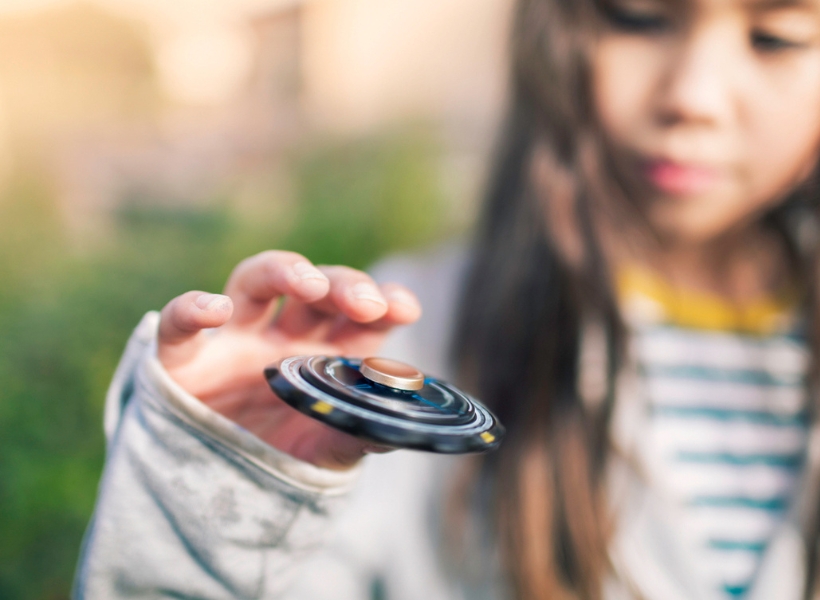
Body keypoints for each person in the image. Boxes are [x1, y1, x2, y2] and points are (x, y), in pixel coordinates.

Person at [73, 0, 820, 598]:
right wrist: (223, 480)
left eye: (778, 36)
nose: (692, 95)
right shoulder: (393, 343)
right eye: (639, 17)